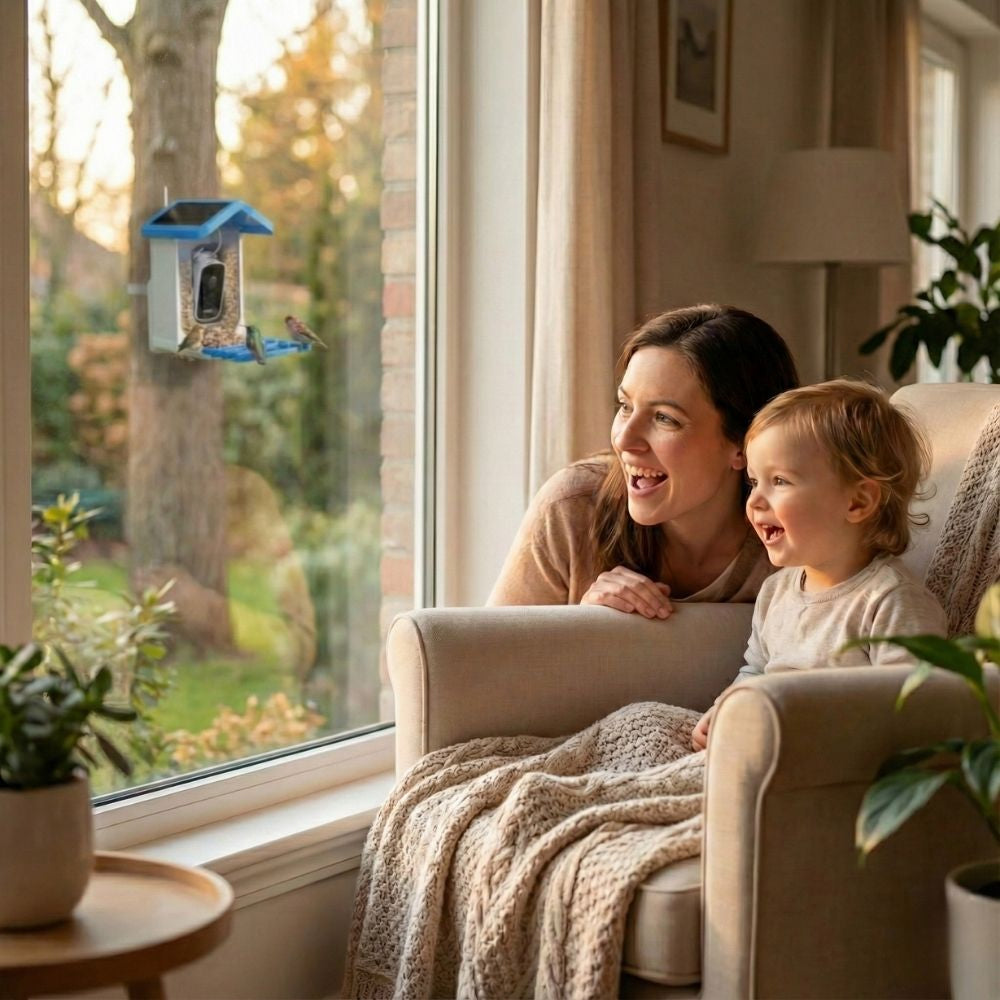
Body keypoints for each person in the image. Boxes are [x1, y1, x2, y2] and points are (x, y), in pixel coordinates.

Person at [488, 304, 800, 615]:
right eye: (625, 406)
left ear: (744, 444)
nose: (624, 440)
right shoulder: (572, 510)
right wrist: (581, 627)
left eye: (665, 418)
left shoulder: (799, 537)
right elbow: (488, 659)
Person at [691, 379, 948, 751]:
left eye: (779, 481)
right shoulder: (776, 591)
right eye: (753, 482)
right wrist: (725, 709)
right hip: (765, 744)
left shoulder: (891, 602)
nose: (755, 501)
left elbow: (913, 712)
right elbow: (756, 672)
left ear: (858, 502)